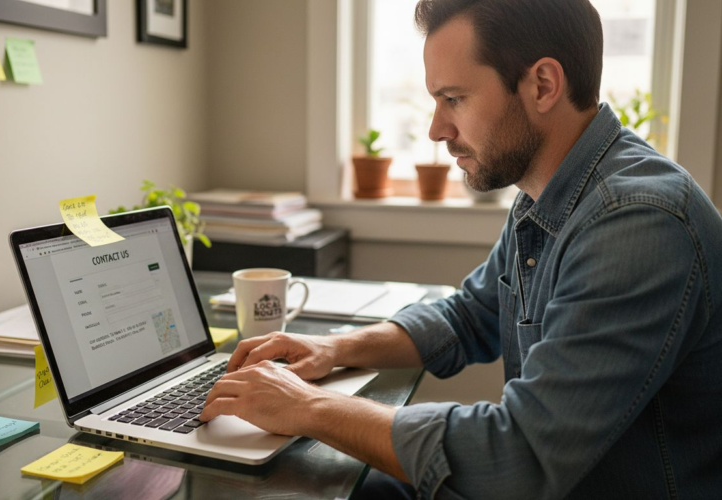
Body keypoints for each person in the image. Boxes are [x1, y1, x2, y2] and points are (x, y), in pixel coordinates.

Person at [200, 0, 722, 498]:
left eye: (454, 99)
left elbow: (518, 458)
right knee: (309, 478)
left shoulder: (638, 222)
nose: (436, 129)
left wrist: (309, 407)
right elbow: (470, 316)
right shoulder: (550, 191)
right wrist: (335, 349)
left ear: (542, 84)